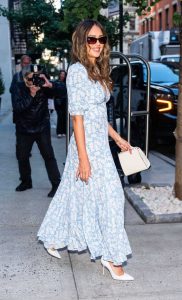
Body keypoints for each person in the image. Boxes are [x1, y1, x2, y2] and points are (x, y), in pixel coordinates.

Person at [37, 20, 134, 281]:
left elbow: (98, 116)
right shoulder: (78, 72)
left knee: (76, 195)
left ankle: (52, 237)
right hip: (86, 147)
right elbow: (77, 118)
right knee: (112, 199)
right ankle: (113, 259)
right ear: (82, 41)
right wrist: (83, 159)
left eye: (101, 39)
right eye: (92, 39)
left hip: (100, 146)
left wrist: (117, 138)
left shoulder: (97, 71)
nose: (98, 44)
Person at [12, 66, 63, 198]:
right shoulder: (18, 87)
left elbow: (63, 91)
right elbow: (18, 108)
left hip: (41, 127)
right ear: (24, 78)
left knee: (48, 156)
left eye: (36, 77)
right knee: (22, 157)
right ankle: (26, 182)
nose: (34, 81)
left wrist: (50, 84)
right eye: (30, 78)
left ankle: (56, 184)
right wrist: (32, 94)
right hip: (24, 128)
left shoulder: (44, 86)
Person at [54, 70, 67, 138]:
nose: (62, 75)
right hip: (58, 101)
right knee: (60, 116)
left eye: (63, 74)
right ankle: (59, 132)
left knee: (65, 117)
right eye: (61, 74)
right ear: (59, 75)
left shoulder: (67, 82)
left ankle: (64, 131)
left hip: (65, 102)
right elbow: (53, 92)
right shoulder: (56, 82)